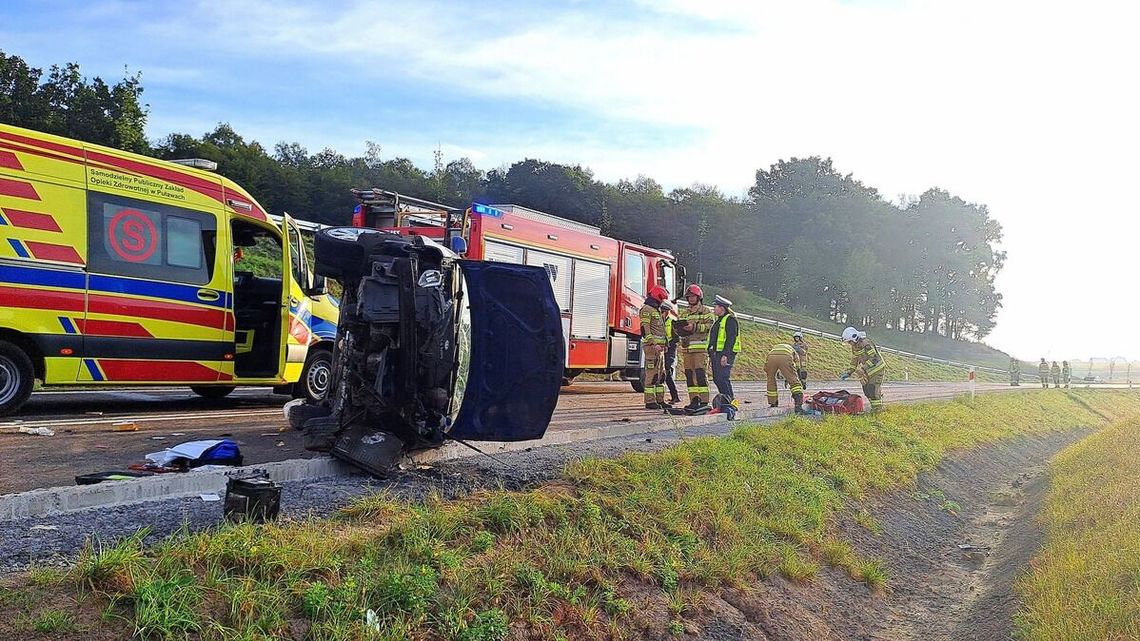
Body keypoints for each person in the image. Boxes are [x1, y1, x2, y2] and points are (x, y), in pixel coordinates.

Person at [676, 284, 714, 410]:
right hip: (687, 349)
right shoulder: (685, 312)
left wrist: (695, 327)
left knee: (700, 374)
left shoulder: (706, 311)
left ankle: (704, 401)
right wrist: (680, 329)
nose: (691, 299)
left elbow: (710, 327)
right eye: (689, 297)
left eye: (693, 296)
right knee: (689, 375)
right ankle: (694, 400)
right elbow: (679, 328)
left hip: (700, 349)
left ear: (699, 297)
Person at [638, 286, 670, 409]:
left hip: (660, 349)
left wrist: (665, 344)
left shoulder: (657, 310)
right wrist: (653, 344)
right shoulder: (646, 309)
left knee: (661, 376)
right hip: (652, 348)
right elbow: (645, 330)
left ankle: (660, 400)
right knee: (651, 375)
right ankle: (650, 401)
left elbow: (662, 330)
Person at [841, 327, 887, 411]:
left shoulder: (866, 344)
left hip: (877, 369)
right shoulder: (855, 347)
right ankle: (874, 408)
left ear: (854, 338)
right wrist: (849, 372)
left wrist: (863, 368)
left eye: (850, 342)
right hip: (868, 371)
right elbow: (854, 360)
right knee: (866, 390)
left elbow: (874, 358)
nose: (850, 344)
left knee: (872, 389)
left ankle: (878, 411)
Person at [707, 295, 741, 410]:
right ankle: (726, 400)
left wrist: (725, 355)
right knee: (718, 378)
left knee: (723, 378)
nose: (714, 309)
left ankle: (730, 402)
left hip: (725, 354)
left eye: (715, 306)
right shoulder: (719, 321)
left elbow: (731, 338)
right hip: (717, 354)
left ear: (722, 308)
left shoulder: (730, 319)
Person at [766, 343, 806, 413]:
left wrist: (786, 377)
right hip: (785, 357)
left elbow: (779, 366)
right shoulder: (794, 352)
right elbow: (796, 368)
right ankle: (798, 407)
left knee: (770, 380)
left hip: (771, 356)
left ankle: (773, 403)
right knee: (795, 383)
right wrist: (799, 379)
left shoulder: (777, 348)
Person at [660, 299, 681, 405]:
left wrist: (668, 345)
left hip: (670, 350)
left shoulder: (672, 322)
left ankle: (675, 396)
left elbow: (676, 339)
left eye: (663, 311)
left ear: (667, 311)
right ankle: (671, 397)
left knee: (667, 373)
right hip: (662, 350)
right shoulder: (660, 322)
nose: (661, 313)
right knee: (662, 374)